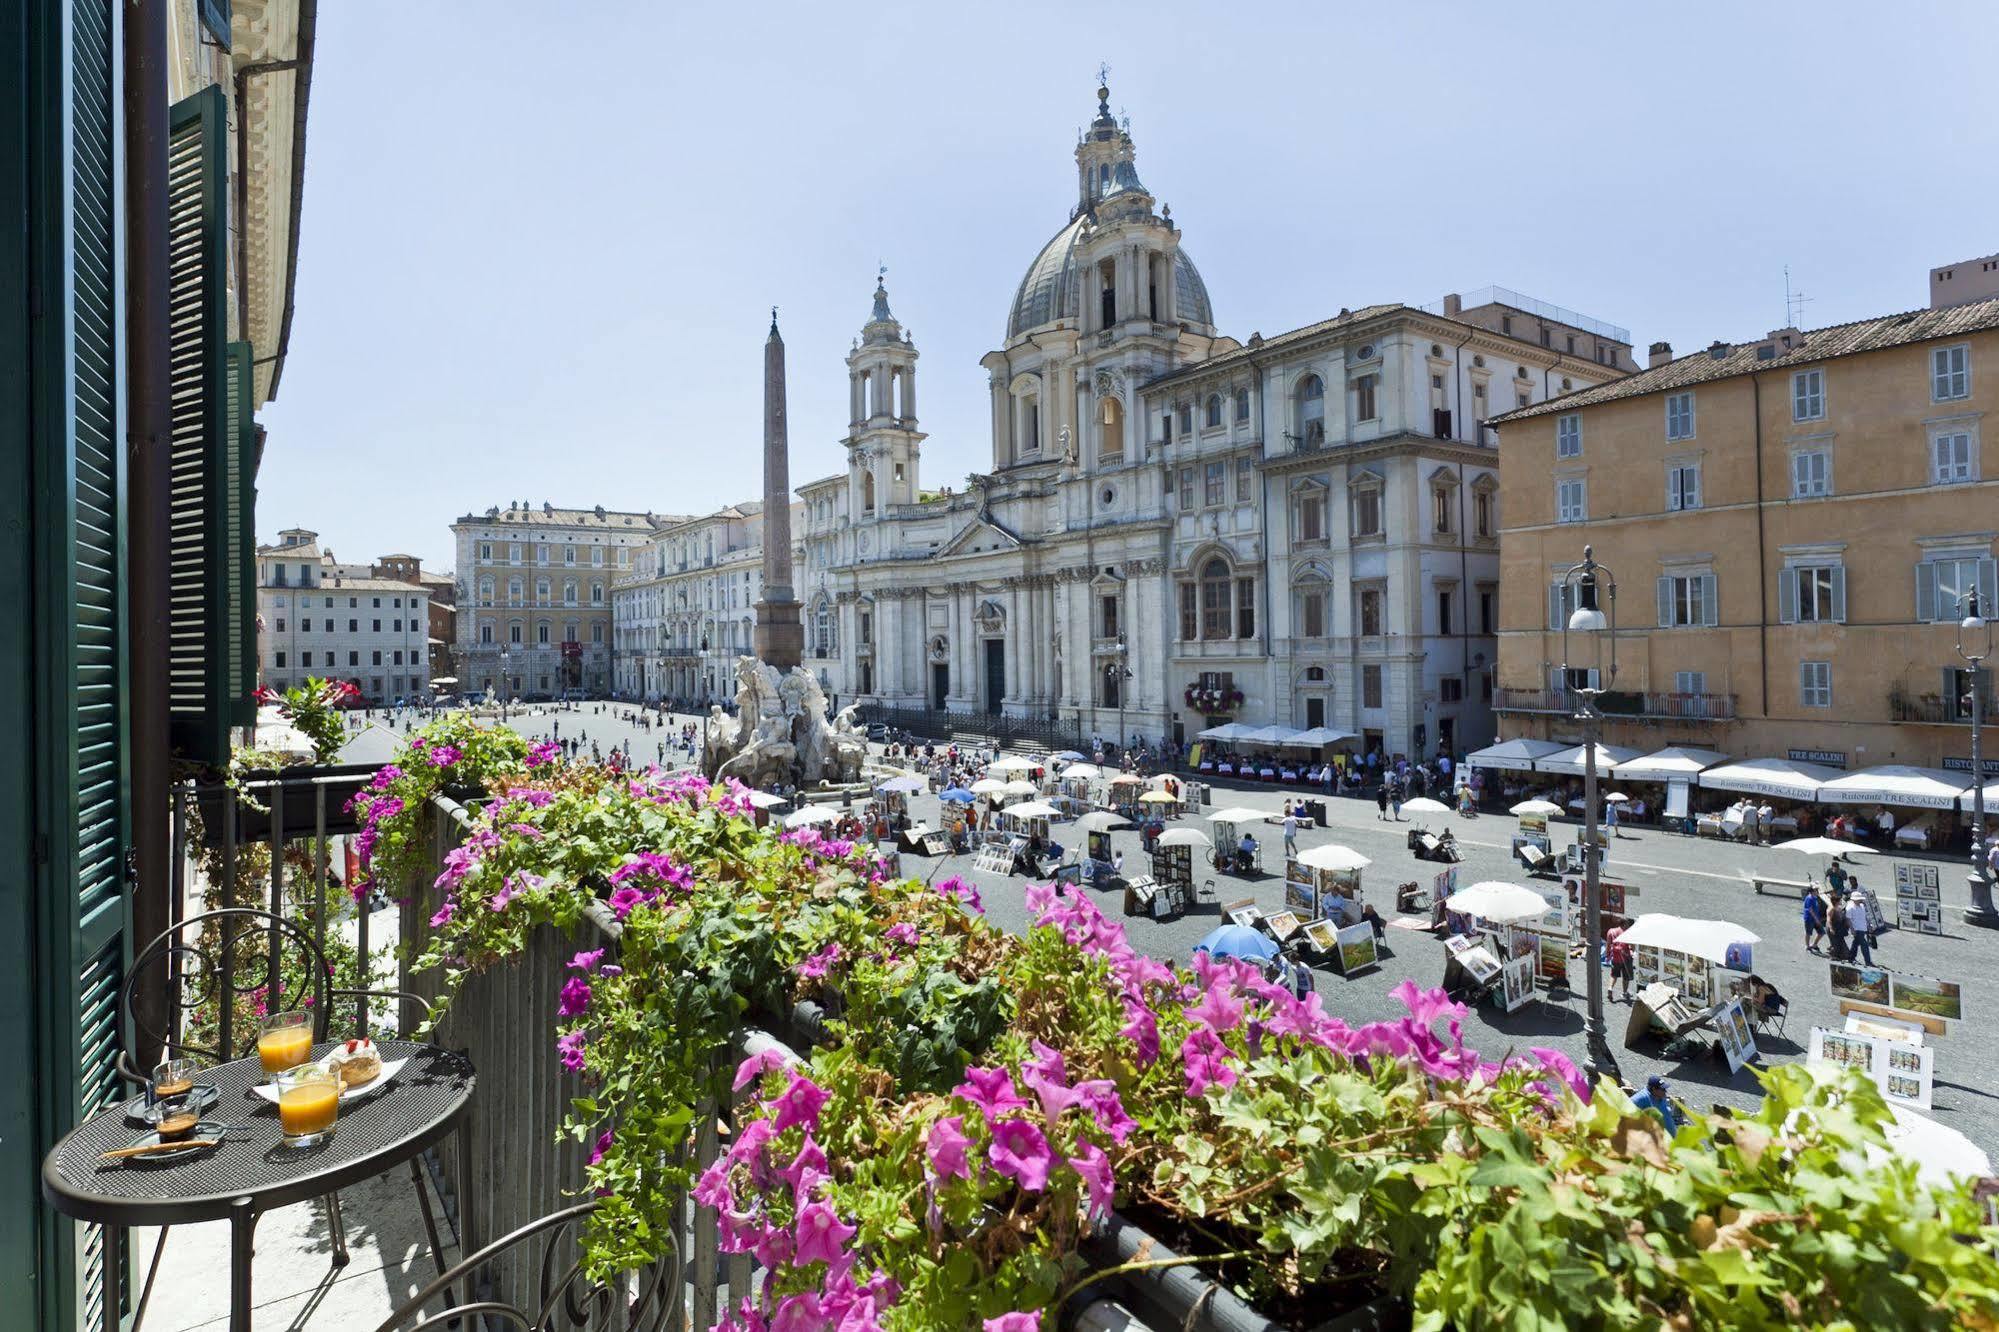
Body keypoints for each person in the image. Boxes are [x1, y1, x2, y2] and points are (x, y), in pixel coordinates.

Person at [1607, 924, 1635, 1001]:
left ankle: (1610, 988)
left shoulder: (1611, 931)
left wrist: (1608, 955)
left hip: (1615, 957)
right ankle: (1625, 992)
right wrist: (1632, 950)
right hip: (1625, 958)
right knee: (1626, 977)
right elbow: (1632, 946)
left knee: (1613, 975)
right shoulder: (1628, 932)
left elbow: (1608, 944)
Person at [1846, 892, 1874, 965]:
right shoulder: (1849, 907)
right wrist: (1852, 929)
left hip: (1863, 928)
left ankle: (1850, 957)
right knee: (1864, 945)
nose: (1860, 900)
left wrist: (1869, 925)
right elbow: (1848, 919)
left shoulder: (1861, 906)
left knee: (1855, 944)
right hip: (1857, 929)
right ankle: (1868, 962)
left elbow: (1864, 916)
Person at [1802, 884, 1827, 954]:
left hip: (1816, 918)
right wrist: (1816, 919)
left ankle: (1814, 944)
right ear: (1812, 891)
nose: (1817, 891)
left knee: (1821, 932)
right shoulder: (1809, 898)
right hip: (1809, 919)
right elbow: (1810, 910)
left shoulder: (1815, 897)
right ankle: (1807, 946)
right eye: (1816, 890)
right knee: (1808, 933)